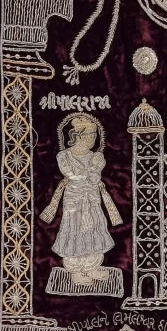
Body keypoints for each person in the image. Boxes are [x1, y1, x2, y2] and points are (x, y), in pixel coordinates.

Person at [41, 113, 121, 285]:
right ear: (76, 135)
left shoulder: (95, 157)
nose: (92, 139)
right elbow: (75, 176)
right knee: (74, 230)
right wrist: (93, 168)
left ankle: (92, 266)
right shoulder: (64, 156)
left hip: (92, 199)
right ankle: (76, 270)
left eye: (94, 136)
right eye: (88, 135)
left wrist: (95, 169)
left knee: (95, 228)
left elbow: (93, 179)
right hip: (74, 200)